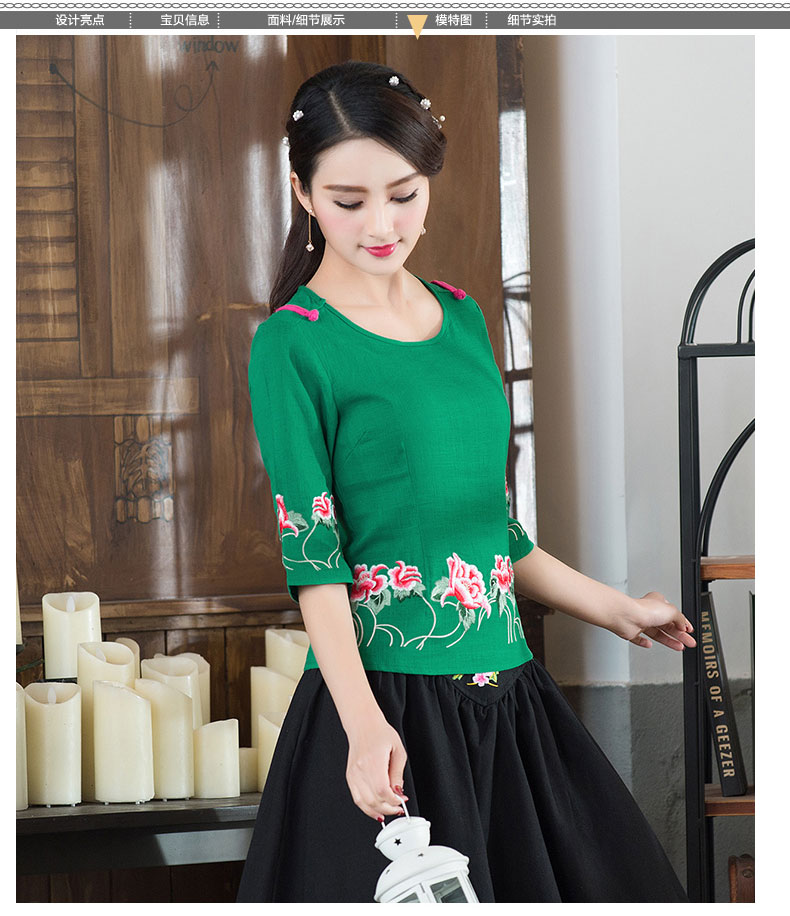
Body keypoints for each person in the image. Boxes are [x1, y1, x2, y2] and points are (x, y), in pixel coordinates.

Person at [236, 60, 693, 904]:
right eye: (348, 200)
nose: (382, 224)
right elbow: (314, 556)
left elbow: (492, 529)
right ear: (303, 193)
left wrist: (617, 610)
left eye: (404, 194)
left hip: (511, 697)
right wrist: (362, 727)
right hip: (392, 708)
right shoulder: (293, 344)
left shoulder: (460, 315)